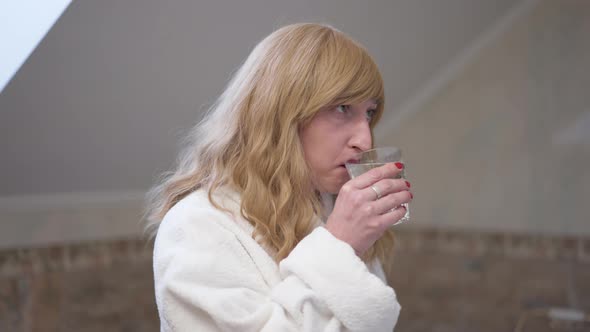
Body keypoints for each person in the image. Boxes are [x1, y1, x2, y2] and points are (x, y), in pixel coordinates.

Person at [145, 23, 413, 332]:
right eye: (342, 108)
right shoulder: (196, 225)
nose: (365, 140)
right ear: (281, 113)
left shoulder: (329, 210)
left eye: (369, 113)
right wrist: (339, 245)